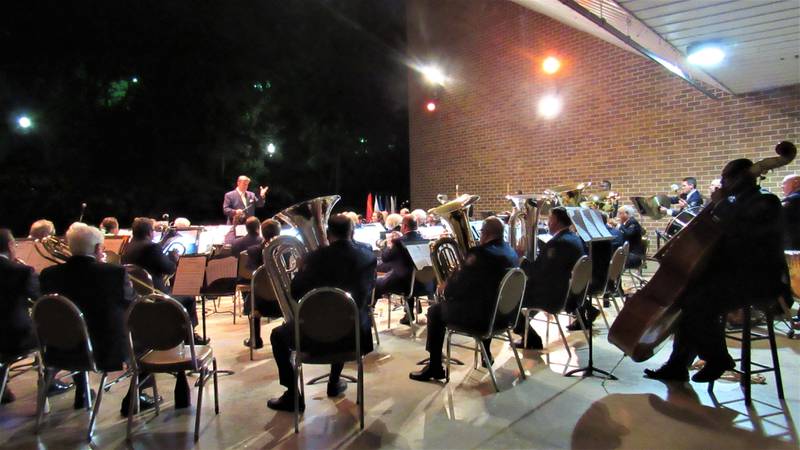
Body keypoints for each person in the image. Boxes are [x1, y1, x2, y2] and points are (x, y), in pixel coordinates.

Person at [645, 155, 789, 383]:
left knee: (696, 302)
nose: (723, 183)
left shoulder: (765, 202)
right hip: (734, 275)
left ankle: (718, 358)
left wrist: (721, 204)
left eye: (726, 178)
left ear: (741, 178)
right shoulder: (736, 202)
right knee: (688, 297)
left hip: (759, 279)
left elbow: (743, 235)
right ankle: (678, 365)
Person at [40, 223, 159, 415]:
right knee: (148, 335)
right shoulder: (113, 273)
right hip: (104, 351)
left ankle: (82, 391)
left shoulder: (48, 275)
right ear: (97, 249)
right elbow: (134, 304)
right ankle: (135, 397)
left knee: (75, 328)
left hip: (60, 349)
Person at [267, 214, 376, 412]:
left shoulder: (314, 259)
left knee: (277, 335)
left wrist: (300, 270)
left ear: (327, 233)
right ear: (352, 232)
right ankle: (334, 382)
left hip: (313, 335)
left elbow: (296, 292)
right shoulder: (368, 256)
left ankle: (293, 394)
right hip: (354, 335)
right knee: (344, 318)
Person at [410, 217, 518, 381]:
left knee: (434, 311)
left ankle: (435, 367)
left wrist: (447, 285)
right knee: (484, 299)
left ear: (485, 233)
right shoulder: (510, 251)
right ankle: (485, 352)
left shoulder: (480, 254)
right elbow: (480, 285)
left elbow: (457, 289)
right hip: (504, 315)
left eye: (481, 232)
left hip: (483, 319)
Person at [121, 218, 207, 346]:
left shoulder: (128, 247)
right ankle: (189, 335)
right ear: (149, 232)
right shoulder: (151, 247)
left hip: (138, 294)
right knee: (188, 297)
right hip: (156, 293)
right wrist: (173, 258)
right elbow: (169, 269)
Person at [513, 208, 587, 348]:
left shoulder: (558, 243)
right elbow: (549, 270)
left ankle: (531, 339)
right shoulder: (574, 238)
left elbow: (538, 273)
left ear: (555, 221)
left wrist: (521, 258)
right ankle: (527, 330)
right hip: (565, 290)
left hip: (555, 296)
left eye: (549, 219)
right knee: (523, 292)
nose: (547, 223)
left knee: (508, 298)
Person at [375, 215, 429, 325]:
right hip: (424, 285)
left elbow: (385, 258)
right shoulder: (424, 240)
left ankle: (368, 314)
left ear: (404, 226)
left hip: (405, 285)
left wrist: (388, 245)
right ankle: (409, 314)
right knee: (405, 272)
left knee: (375, 284)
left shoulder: (399, 242)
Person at [242, 218, 283, 349]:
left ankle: (256, 339)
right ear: (279, 233)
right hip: (282, 303)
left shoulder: (253, 251)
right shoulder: (286, 250)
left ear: (262, 233)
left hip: (260, 305)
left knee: (252, 293)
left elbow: (248, 275)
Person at [781, 174, 800, 250]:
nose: (782, 186)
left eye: (784, 183)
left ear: (796, 183)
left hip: (794, 246)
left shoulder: (792, 200)